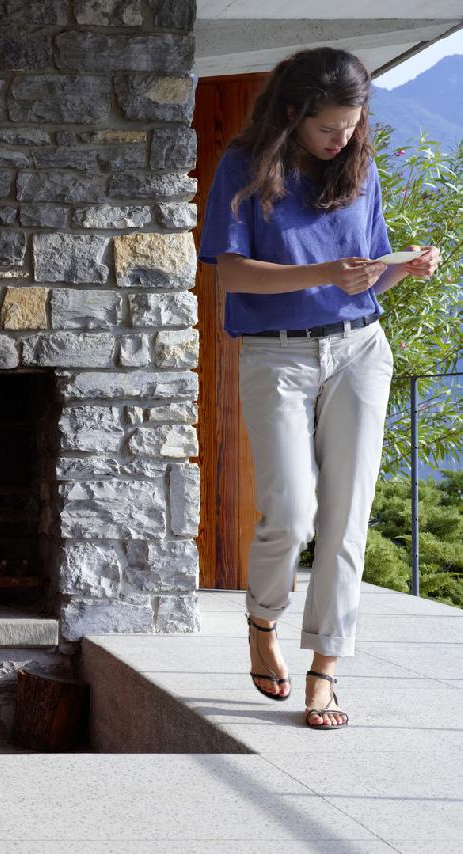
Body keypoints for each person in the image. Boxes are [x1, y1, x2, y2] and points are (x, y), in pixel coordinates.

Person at [198, 47, 441, 729]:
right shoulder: (244, 168)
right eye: (328, 126)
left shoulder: (359, 167)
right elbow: (231, 274)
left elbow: (365, 272)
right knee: (290, 509)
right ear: (292, 113)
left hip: (360, 347)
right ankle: (261, 622)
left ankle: (326, 670)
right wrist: (326, 272)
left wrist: (403, 268)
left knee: (347, 515)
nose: (341, 138)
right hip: (276, 354)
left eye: (351, 125)